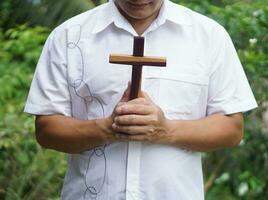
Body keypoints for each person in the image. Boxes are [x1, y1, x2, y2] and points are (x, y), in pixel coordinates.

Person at [24, 0, 258, 199]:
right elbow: (46, 130)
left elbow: (231, 128)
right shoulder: (68, 37)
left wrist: (165, 130)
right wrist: (107, 128)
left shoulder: (209, 37)